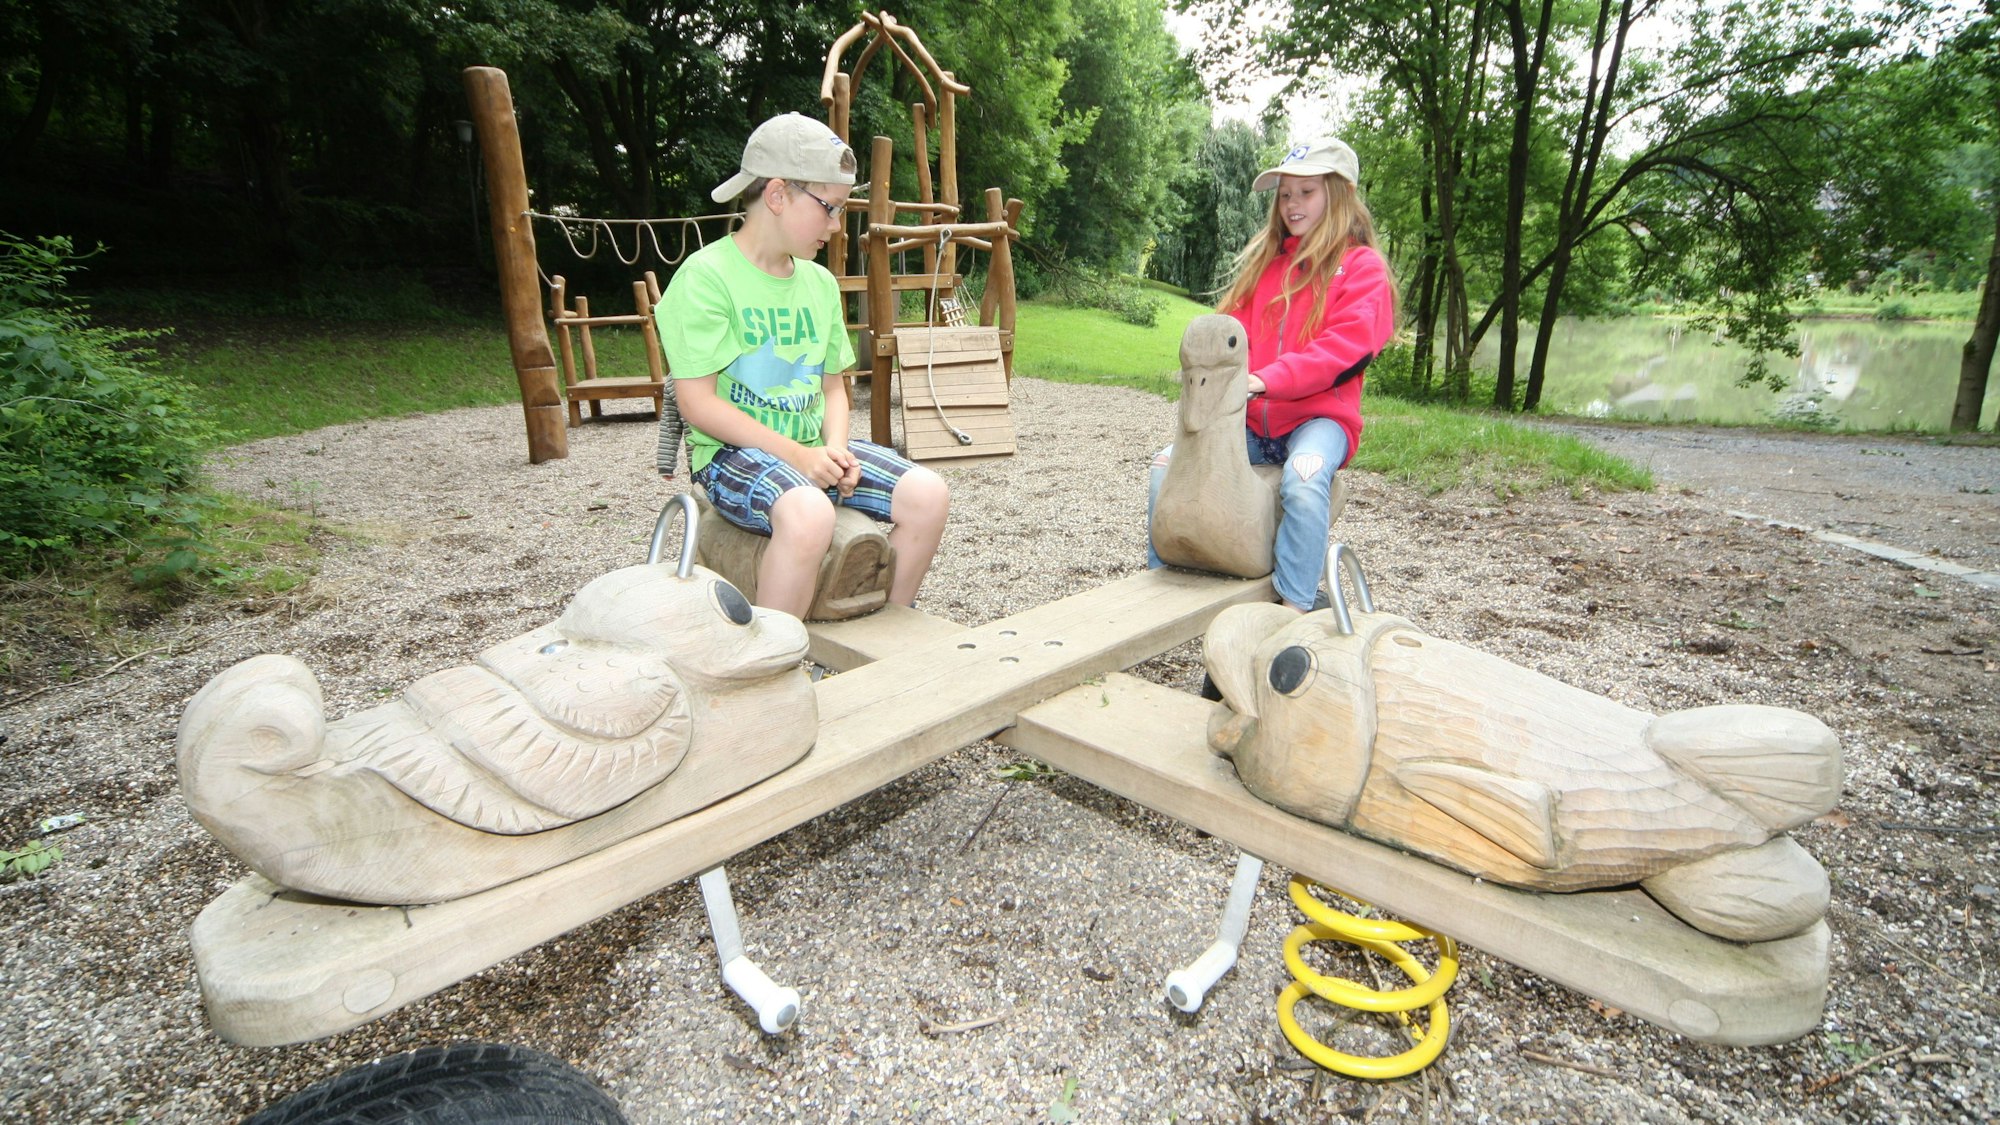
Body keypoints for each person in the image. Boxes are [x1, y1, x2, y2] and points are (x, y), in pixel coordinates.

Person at [655, 113, 949, 618]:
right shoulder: (706, 278)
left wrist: (834, 451)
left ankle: (889, 637)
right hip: (729, 453)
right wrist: (798, 457)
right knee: (810, 511)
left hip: (809, 444)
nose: (836, 226)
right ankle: (776, 659)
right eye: (829, 208)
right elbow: (697, 403)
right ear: (776, 195)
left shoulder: (819, 285)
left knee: (929, 494)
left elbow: (834, 388)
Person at [1147, 137, 1395, 612]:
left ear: (1338, 193)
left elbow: (1345, 348)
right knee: (1166, 468)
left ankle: (1292, 607)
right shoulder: (1268, 266)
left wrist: (1268, 379)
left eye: (1307, 192)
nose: (1292, 204)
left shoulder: (1362, 269)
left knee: (1303, 480)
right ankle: (1161, 583)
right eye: (1285, 194)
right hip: (1253, 420)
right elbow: (1233, 334)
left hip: (1318, 419)